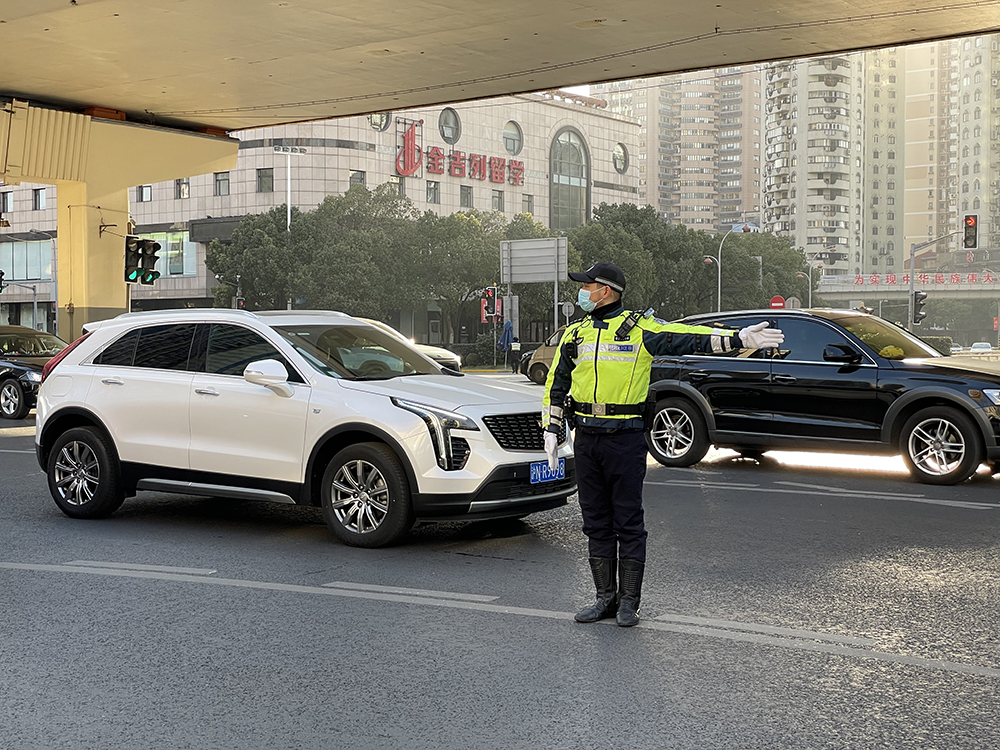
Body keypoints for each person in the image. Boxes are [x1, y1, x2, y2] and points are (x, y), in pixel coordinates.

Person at [541, 262, 783, 627]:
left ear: (605, 290)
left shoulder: (640, 329)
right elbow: (556, 385)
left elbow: (687, 336)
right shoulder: (575, 334)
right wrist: (551, 428)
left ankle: (629, 602)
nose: (582, 292)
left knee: (628, 521)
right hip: (587, 438)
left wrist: (739, 339)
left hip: (624, 439)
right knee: (595, 522)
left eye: (586, 286)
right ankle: (604, 598)